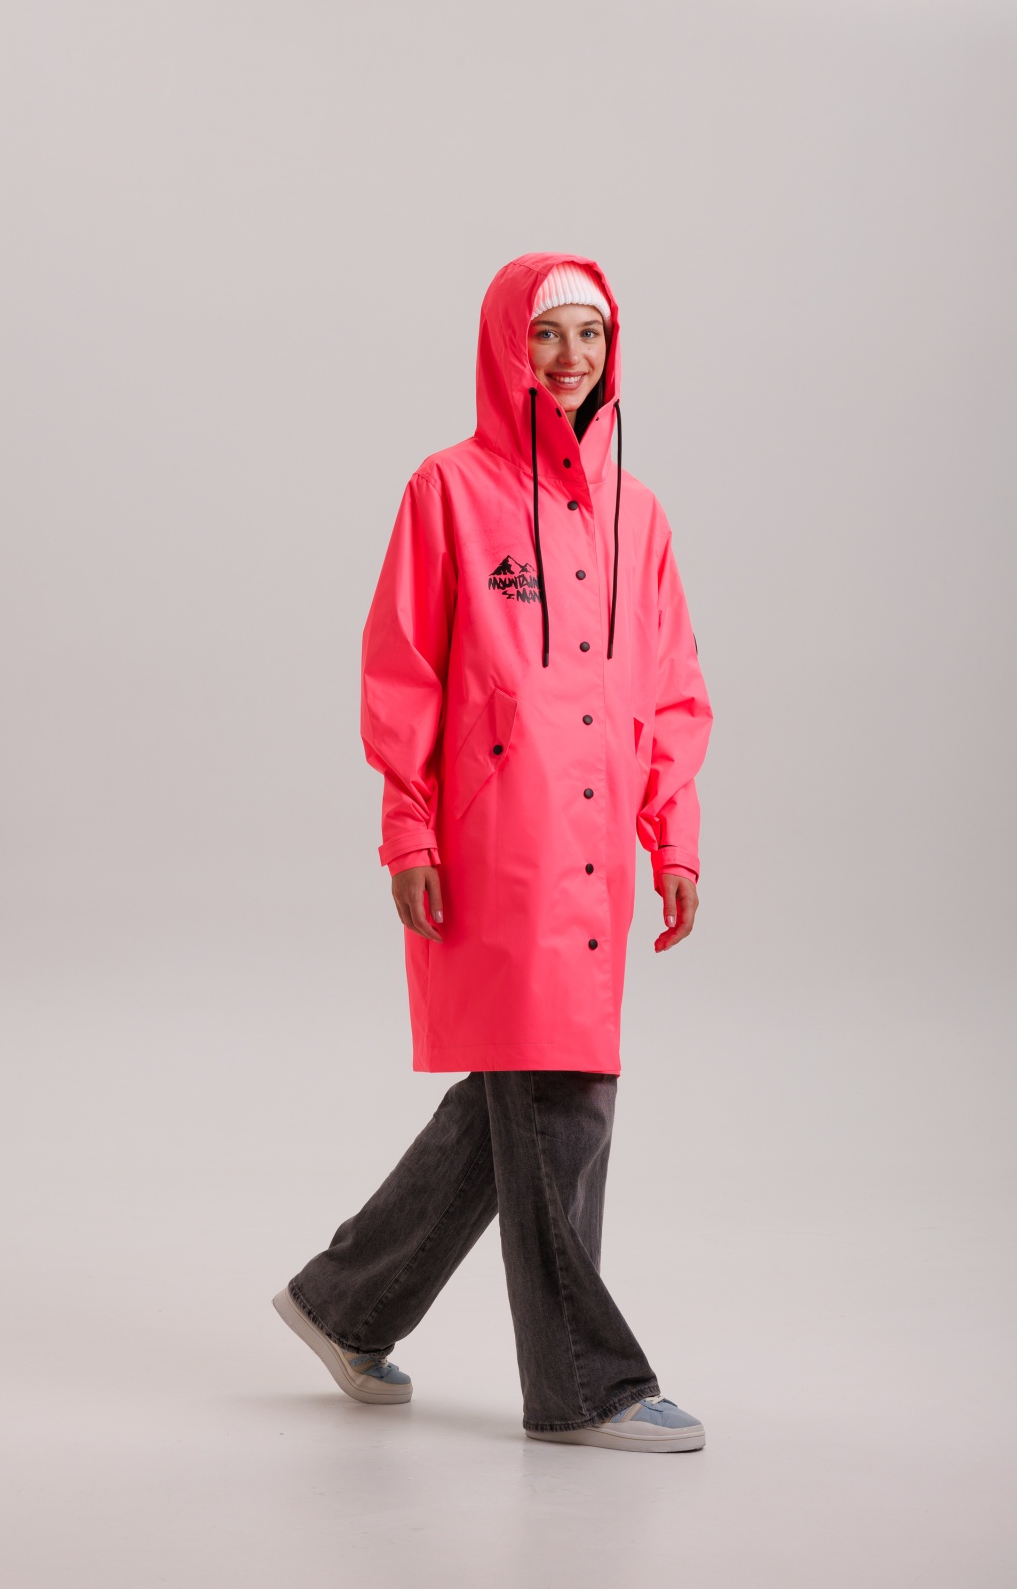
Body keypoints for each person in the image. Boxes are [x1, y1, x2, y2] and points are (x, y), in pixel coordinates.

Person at [273, 253, 713, 1453]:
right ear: (505, 346)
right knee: (559, 1093)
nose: (570, 358)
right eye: (547, 334)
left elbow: (671, 689)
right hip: (496, 841)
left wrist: (672, 832)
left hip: (598, 847)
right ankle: (584, 1385)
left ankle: (345, 1302)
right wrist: (407, 827)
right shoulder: (447, 490)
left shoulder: (637, 513)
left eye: (590, 335)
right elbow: (403, 671)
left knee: (522, 1089)